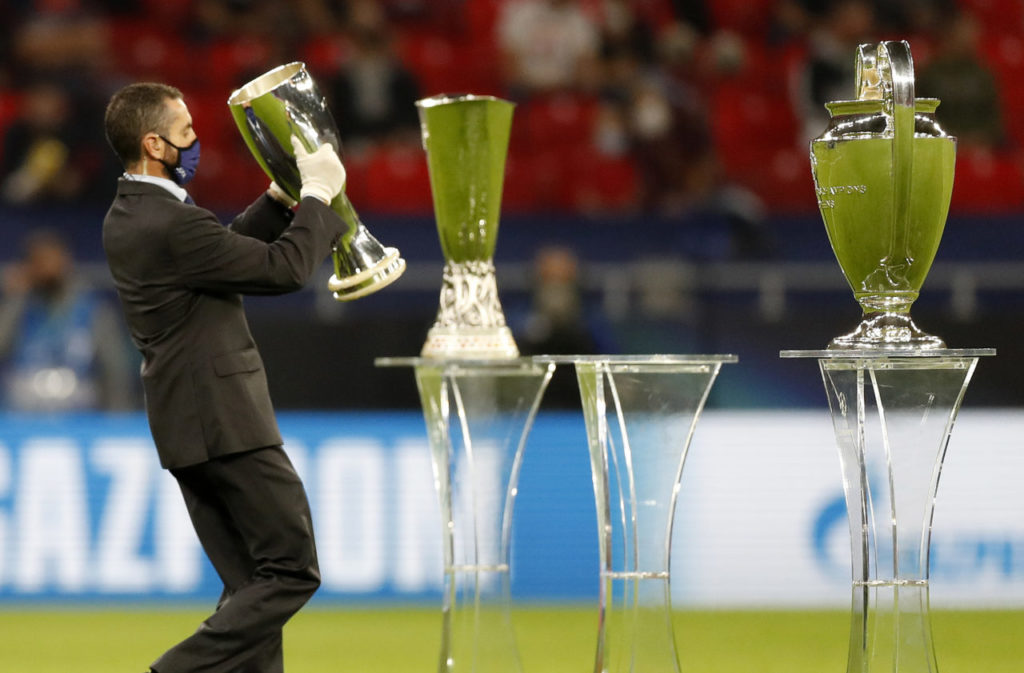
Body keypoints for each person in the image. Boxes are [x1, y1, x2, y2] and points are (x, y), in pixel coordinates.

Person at [102, 82, 347, 673]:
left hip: (187, 427)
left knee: (250, 591)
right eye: (186, 133)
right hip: (225, 420)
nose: (196, 142)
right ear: (153, 143)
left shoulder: (133, 213)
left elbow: (218, 255)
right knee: (291, 571)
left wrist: (276, 199)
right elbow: (282, 270)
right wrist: (317, 195)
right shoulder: (168, 221)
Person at [0, 228, 135, 411]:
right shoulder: (20, 307)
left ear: (66, 261)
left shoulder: (94, 311)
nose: (47, 269)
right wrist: (15, 297)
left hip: (79, 414)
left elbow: (116, 371)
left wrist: (118, 419)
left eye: (52, 260)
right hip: (23, 416)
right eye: (39, 262)